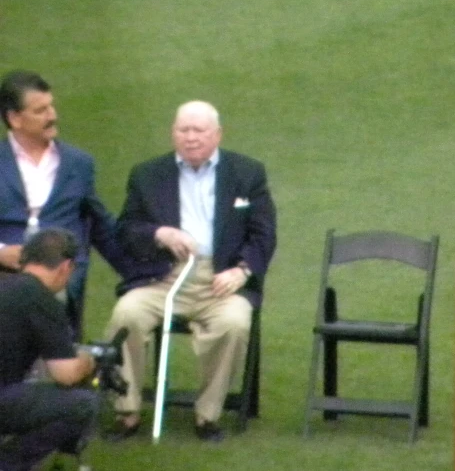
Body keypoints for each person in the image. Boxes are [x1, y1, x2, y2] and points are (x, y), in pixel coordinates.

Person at [105, 100, 277, 443]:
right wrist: (160, 234)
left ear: (217, 135)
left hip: (220, 278)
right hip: (163, 277)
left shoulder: (247, 173)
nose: (191, 138)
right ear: (173, 133)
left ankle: (207, 415)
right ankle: (127, 411)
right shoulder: (147, 174)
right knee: (126, 315)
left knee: (233, 324)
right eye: (184, 130)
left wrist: (242, 272)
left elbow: (264, 234)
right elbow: (126, 230)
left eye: (199, 130)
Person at [0, 70, 131, 337]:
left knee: (41, 299)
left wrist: (144, 273)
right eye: (41, 110)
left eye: (51, 107)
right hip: (4, 273)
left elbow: (101, 226)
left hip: (59, 276)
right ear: (15, 118)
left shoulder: (78, 164)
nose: (52, 116)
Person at [0, 228, 97, 471]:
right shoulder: (42, 300)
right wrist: (88, 361)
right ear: (66, 267)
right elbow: (66, 374)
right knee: (82, 405)